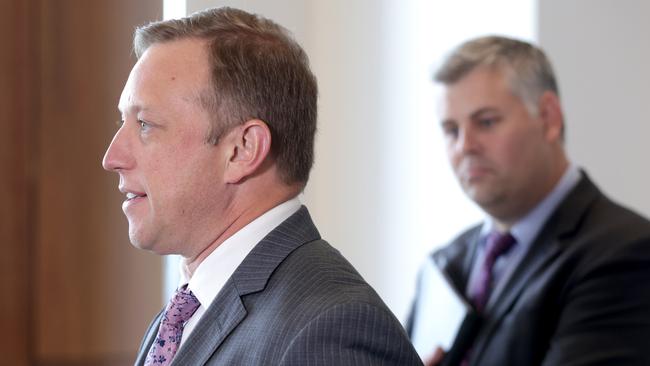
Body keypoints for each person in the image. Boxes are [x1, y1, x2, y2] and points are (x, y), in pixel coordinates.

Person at [102, 7, 421, 366]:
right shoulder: (184, 313)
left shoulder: (329, 329)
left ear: (242, 150)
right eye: (123, 121)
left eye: (145, 124)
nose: (112, 156)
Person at [407, 35, 650, 366]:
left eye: (486, 122)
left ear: (549, 118)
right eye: (451, 130)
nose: (465, 146)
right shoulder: (444, 264)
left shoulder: (625, 253)